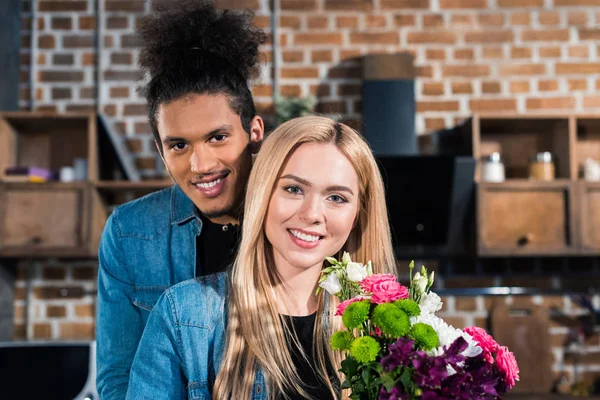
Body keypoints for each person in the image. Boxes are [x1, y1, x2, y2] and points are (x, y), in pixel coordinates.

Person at [125, 116, 398, 400]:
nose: (313, 214)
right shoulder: (184, 315)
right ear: (262, 194)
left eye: (337, 198)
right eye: (294, 189)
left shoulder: (383, 325)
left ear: (357, 216)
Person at [95, 1, 267, 398]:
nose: (200, 163)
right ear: (160, 150)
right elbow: (118, 377)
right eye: (178, 145)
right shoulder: (129, 233)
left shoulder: (295, 218)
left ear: (254, 132)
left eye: (217, 137)